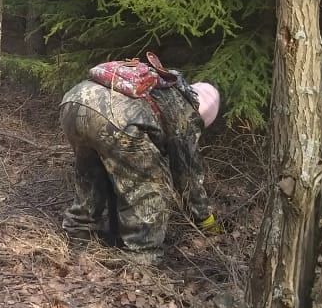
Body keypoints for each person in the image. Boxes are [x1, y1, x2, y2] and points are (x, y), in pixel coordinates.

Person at [59, 54, 220, 260]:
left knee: (91, 173)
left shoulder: (166, 88)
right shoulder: (187, 111)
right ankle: (142, 256)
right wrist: (205, 219)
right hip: (115, 115)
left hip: (74, 101)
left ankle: (78, 233)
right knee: (150, 186)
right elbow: (187, 173)